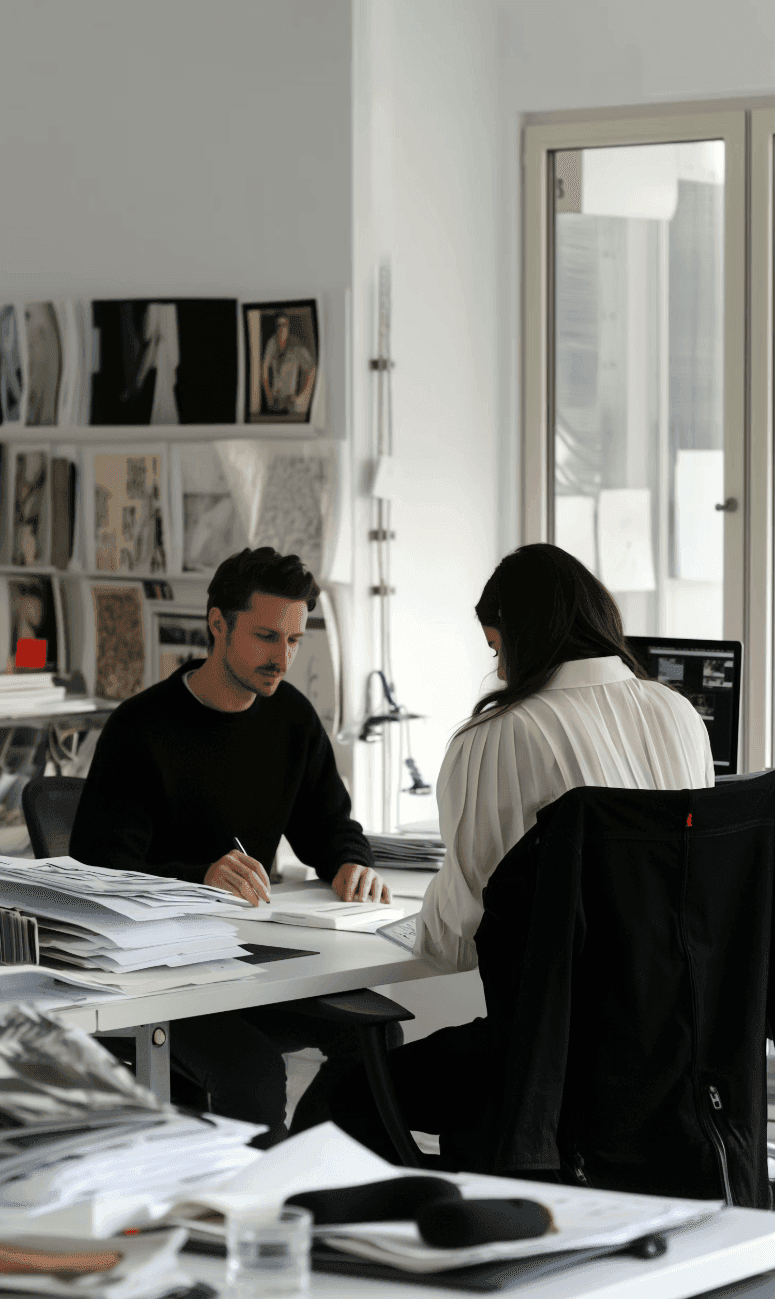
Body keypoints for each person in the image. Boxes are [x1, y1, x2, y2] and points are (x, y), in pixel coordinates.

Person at [312, 543, 715, 1165]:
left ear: (522, 638)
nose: (500, 673)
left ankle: (421, 1242)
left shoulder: (503, 736)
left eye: (498, 650)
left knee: (337, 1099)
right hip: (675, 1060)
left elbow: (453, 941)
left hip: (549, 1065)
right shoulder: (680, 714)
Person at [70, 546, 393, 1145]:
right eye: (267, 637)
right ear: (217, 625)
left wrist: (352, 861)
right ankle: (246, 1220)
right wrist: (199, 879)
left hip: (249, 958)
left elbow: (330, 824)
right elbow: (100, 873)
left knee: (374, 1035)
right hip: (157, 975)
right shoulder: (141, 730)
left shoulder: (290, 718)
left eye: (294, 640)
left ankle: (305, 1168)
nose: (283, 658)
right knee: (254, 1071)